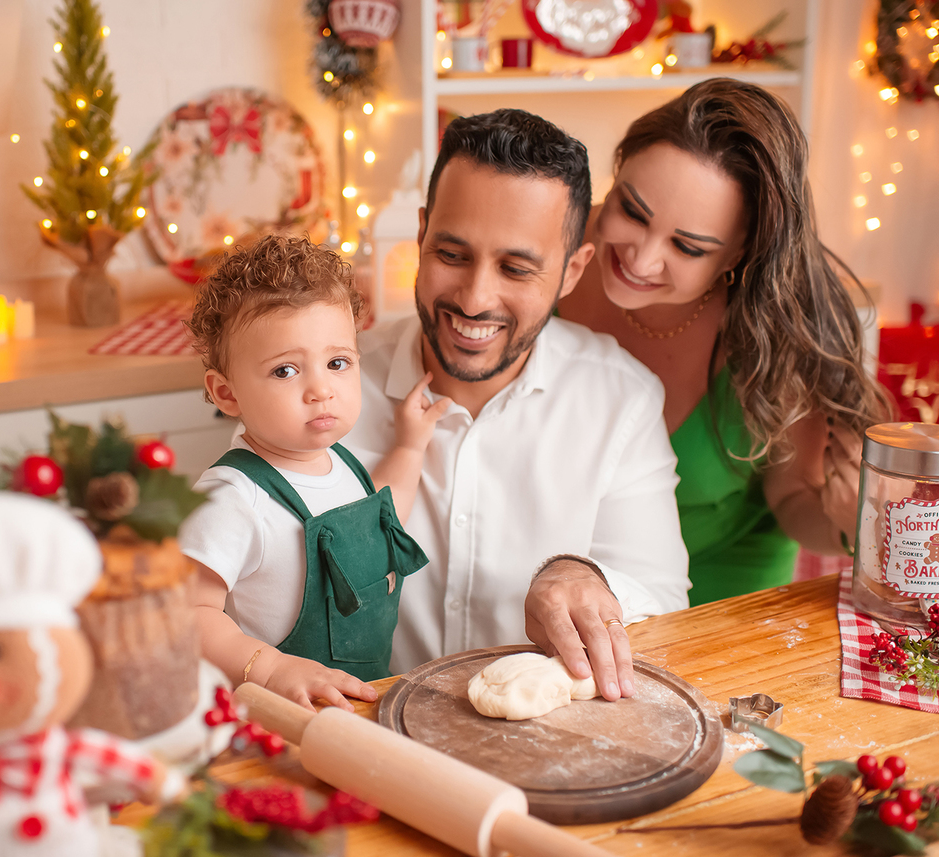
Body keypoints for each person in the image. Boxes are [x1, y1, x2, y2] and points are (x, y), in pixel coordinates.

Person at [344, 109, 691, 702]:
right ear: (423, 235)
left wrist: (585, 578)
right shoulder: (329, 381)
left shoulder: (622, 400)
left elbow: (661, 600)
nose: (475, 298)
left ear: (571, 270)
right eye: (452, 254)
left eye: (516, 268)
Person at [558, 79, 892, 605]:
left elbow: (793, 502)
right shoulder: (554, 243)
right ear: (617, 172)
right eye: (631, 210)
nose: (641, 260)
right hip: (554, 580)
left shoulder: (776, 327)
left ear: (738, 254)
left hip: (720, 599)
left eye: (688, 247)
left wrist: (846, 523)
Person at [179, 235, 450, 711]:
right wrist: (271, 669)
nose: (320, 389)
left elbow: (383, 520)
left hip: (362, 703)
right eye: (286, 371)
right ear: (227, 394)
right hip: (277, 716)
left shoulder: (341, 460)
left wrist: (410, 445)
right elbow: (189, 612)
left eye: (337, 363)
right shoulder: (233, 497)